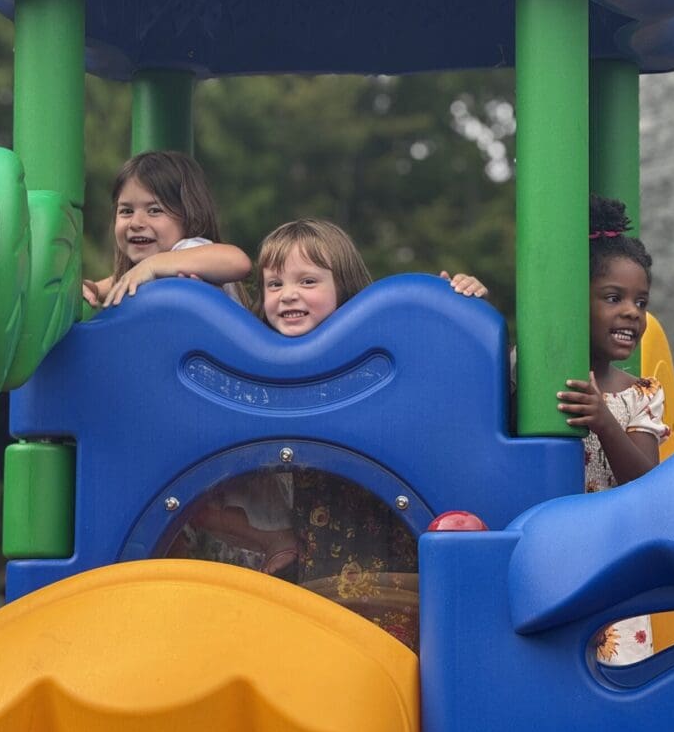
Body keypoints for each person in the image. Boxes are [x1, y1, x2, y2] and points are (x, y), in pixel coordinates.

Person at [177, 218, 488, 649]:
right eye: (273, 284)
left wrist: (453, 298)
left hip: (385, 532)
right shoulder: (263, 365)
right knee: (328, 640)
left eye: (308, 281)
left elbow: (437, 359)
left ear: (344, 286)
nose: (288, 294)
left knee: (390, 641)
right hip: (322, 542)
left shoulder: (379, 348)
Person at [556, 195, 669, 665]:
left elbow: (646, 484)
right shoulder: (542, 376)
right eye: (612, 297)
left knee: (618, 686)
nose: (631, 313)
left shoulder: (642, 394)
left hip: (617, 574)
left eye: (640, 302)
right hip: (558, 563)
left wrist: (604, 421)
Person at [82, 150, 251, 309]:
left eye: (154, 210)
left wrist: (152, 266)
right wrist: (94, 289)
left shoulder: (189, 248)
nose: (135, 223)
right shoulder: (151, 268)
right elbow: (119, 282)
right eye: (127, 211)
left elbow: (238, 262)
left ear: (190, 216)